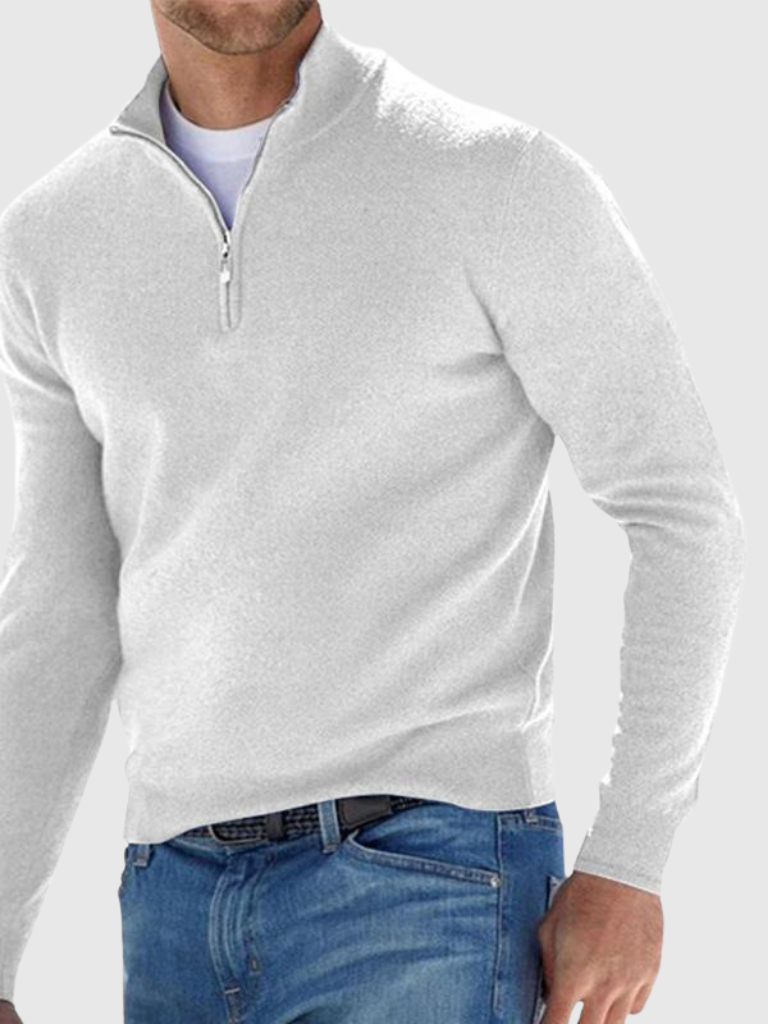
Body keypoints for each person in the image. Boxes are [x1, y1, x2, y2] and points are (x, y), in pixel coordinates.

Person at [0, 2, 745, 1022]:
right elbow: (56, 620)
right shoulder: (53, 238)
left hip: (429, 883)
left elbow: (682, 510)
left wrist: (631, 861)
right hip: (171, 902)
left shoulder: (495, 178)